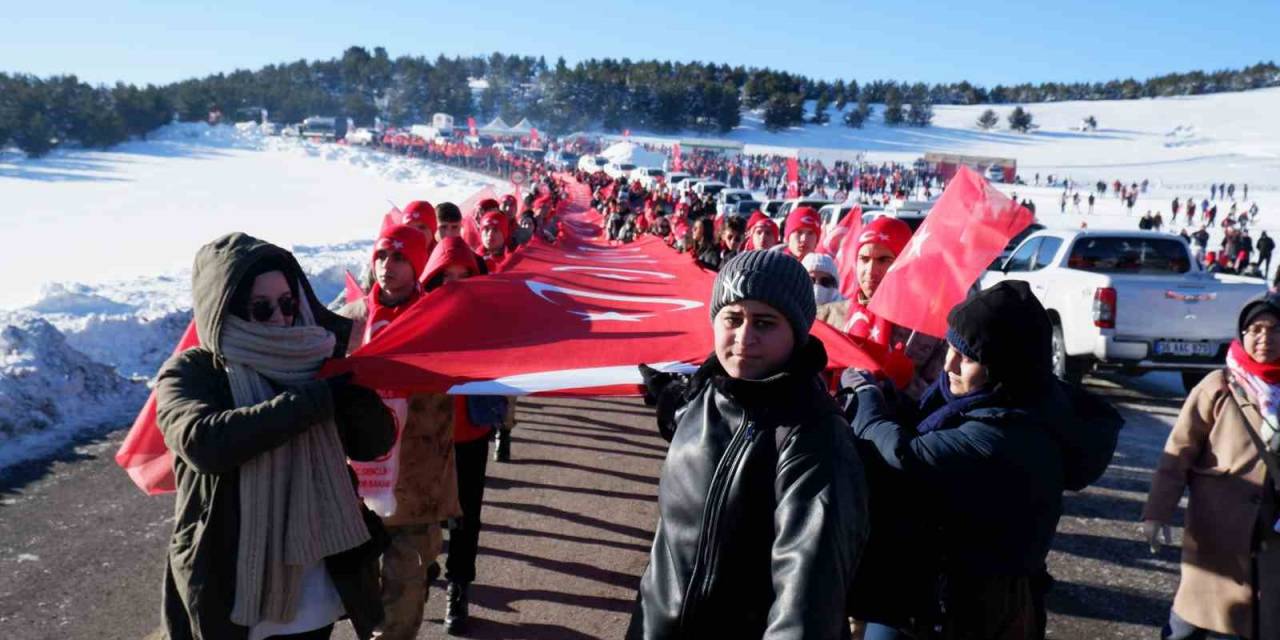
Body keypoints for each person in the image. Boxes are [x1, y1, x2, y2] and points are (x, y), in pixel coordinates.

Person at [844, 281, 1120, 640]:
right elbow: (931, 429)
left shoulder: (1007, 435)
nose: (950, 364)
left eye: (968, 356)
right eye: (951, 347)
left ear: (1005, 366)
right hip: (928, 593)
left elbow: (904, 454)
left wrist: (866, 398)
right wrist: (891, 400)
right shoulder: (1003, 398)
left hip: (966, 612)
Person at [157, 232, 396, 640]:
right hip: (234, 589)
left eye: (288, 304)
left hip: (316, 587)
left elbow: (374, 445)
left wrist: (356, 398)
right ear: (224, 310)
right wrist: (312, 402)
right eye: (261, 308)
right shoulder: (194, 371)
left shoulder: (315, 359)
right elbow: (203, 442)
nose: (281, 318)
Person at [628, 250, 868, 639]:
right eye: (733, 319)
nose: (744, 338)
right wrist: (666, 395)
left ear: (798, 331)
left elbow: (807, 599)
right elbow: (705, 435)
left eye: (765, 323)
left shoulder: (815, 435)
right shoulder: (707, 392)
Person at [336, 226, 463, 640]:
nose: (386, 267)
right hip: (358, 481)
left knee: (405, 591)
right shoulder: (349, 321)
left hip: (417, 480)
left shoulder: (440, 317)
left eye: (399, 258)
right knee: (357, 592)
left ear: (418, 264)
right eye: (381, 257)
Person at [1143, 294, 1280, 640]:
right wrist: (1157, 512)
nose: (1266, 339)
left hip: (1271, 534)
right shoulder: (1218, 386)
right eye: (1256, 330)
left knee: (1260, 621)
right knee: (1189, 622)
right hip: (1215, 530)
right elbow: (1178, 453)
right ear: (1242, 335)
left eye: (1276, 330)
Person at [421, 237, 503, 635]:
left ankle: (459, 586)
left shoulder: (487, 318)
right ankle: (421, 571)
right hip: (424, 436)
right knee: (422, 513)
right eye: (444, 277)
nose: (454, 283)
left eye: (463, 275)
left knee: (466, 517)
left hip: (470, 431)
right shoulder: (416, 318)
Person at [817, 216, 946, 403]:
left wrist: (908, 383)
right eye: (864, 259)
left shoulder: (926, 330)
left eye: (883, 259)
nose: (870, 270)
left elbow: (939, 402)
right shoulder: (828, 316)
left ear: (904, 263)